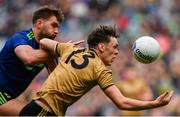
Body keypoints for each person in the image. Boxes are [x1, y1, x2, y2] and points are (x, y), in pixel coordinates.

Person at [19, 25, 173, 116]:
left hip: (35, 108)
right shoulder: (100, 70)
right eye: (114, 47)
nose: (117, 52)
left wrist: (55, 63)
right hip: (44, 112)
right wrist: (154, 103)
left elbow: (44, 41)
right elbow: (121, 102)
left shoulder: (70, 49)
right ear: (101, 47)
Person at [0, 6, 67, 115]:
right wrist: (60, 50)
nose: (56, 31)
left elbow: (57, 79)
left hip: (7, 96)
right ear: (39, 23)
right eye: (53, 25)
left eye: (58, 28)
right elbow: (29, 58)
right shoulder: (22, 38)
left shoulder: (47, 50)